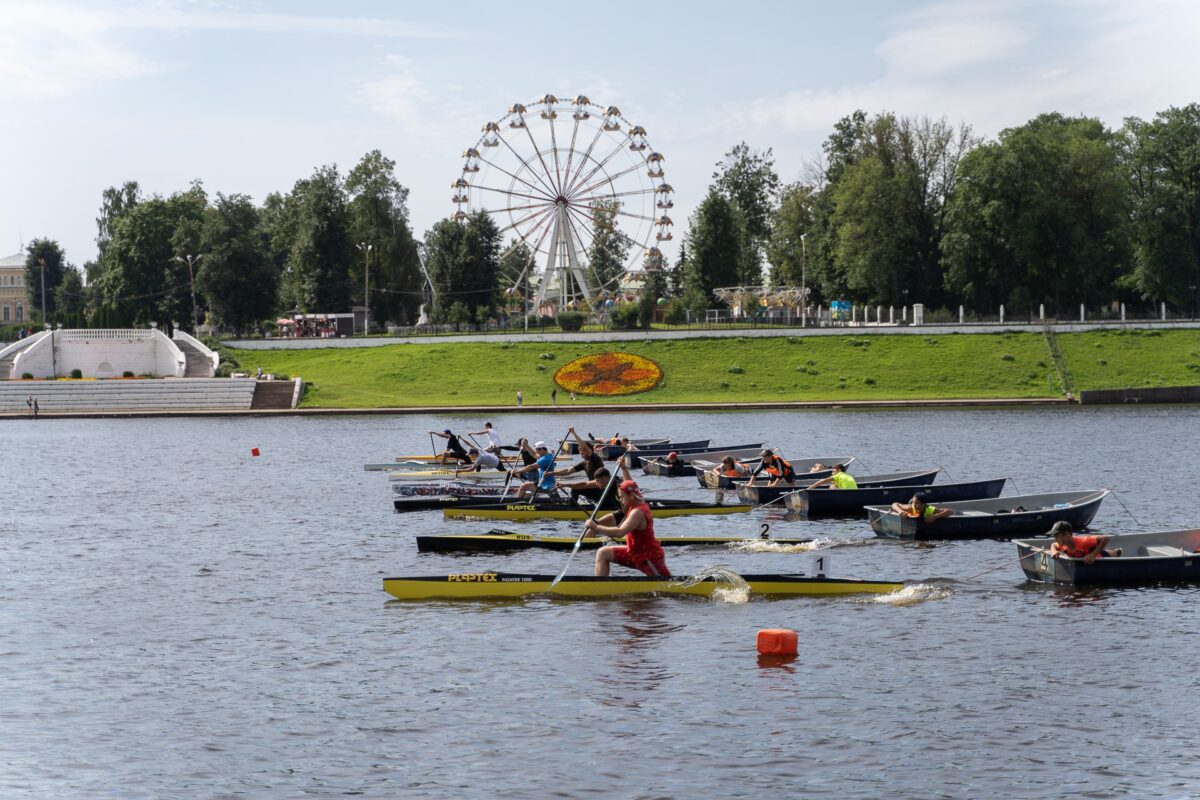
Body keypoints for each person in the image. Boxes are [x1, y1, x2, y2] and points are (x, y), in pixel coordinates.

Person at [587, 480, 670, 577]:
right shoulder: (635, 501)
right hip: (633, 553)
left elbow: (620, 533)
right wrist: (624, 468)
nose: (620, 500)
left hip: (648, 557)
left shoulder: (638, 512)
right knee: (603, 553)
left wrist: (596, 527)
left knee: (668, 584)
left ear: (631, 496)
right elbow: (630, 484)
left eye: (621, 497)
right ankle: (599, 587)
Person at [1048, 521, 1119, 562]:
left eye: (1057, 536)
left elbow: (1106, 538)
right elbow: (1053, 545)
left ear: (1067, 534)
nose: (1056, 539)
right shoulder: (1062, 544)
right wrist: (1054, 551)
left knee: (1109, 554)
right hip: (1085, 553)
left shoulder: (1083, 541)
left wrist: (1093, 555)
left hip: (1098, 557)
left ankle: (1116, 552)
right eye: (1055, 537)